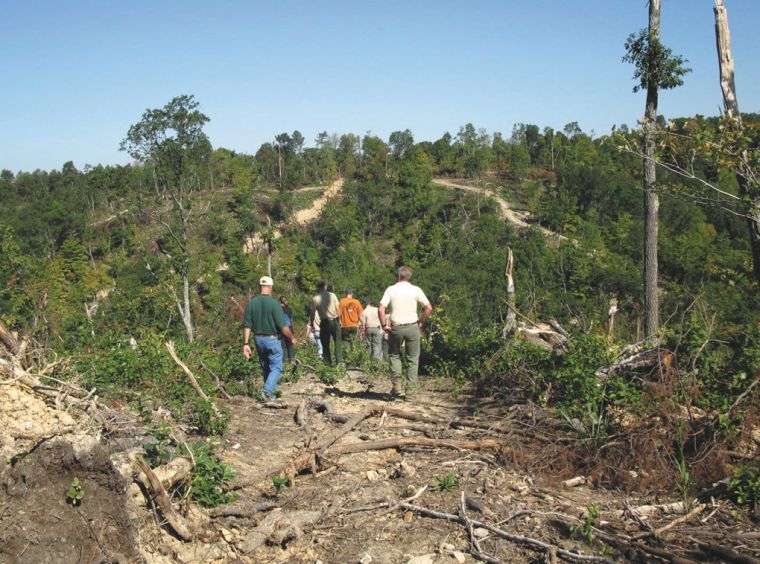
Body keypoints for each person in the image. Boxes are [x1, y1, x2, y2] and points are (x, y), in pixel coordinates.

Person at [378, 266, 432, 399]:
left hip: (396, 328)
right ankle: (411, 393)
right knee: (413, 359)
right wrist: (420, 322)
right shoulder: (416, 289)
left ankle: (396, 387)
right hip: (413, 326)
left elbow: (381, 309)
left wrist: (385, 325)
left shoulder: (391, 289)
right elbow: (428, 308)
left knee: (394, 355)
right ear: (409, 277)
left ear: (398, 276)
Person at [243, 276, 297, 400]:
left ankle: (271, 394)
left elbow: (247, 326)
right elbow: (283, 327)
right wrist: (291, 338)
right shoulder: (274, 304)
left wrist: (245, 343)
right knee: (277, 366)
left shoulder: (251, 303)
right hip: (272, 339)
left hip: (257, 339)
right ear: (271, 287)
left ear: (260, 286)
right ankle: (267, 390)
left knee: (265, 365)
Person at [310, 280, 342, 366]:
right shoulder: (332, 295)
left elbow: (312, 313)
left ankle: (328, 363)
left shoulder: (315, 298)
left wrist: (312, 324)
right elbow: (338, 309)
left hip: (324, 322)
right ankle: (340, 362)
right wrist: (339, 320)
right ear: (325, 286)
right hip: (334, 320)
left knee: (325, 344)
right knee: (338, 342)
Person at [279, 296, 296, 363]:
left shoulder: (278, 309)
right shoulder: (289, 309)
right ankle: (292, 361)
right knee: (290, 346)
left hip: (281, 330)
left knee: (283, 348)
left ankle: (284, 363)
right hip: (289, 330)